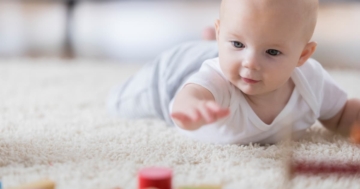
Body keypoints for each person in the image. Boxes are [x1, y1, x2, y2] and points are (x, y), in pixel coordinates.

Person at [107, 0, 360, 144]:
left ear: (303, 55)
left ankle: (219, 43)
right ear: (221, 33)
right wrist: (192, 109)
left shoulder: (312, 82)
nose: (250, 63)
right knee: (117, 103)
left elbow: (341, 116)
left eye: (271, 52)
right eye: (238, 43)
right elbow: (192, 95)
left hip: (219, 52)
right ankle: (211, 45)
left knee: (236, 48)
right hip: (173, 75)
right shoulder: (216, 80)